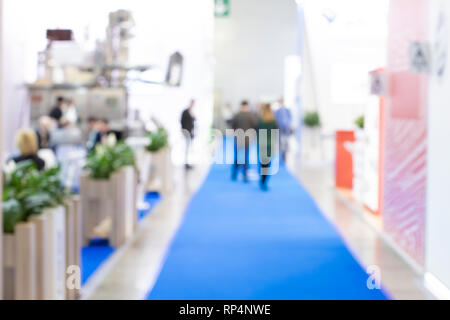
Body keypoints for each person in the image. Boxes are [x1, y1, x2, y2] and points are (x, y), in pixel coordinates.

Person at [230, 100, 258, 182]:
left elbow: (232, 125)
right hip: (247, 139)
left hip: (238, 138)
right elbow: (255, 126)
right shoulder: (251, 115)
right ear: (247, 106)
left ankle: (234, 173)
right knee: (246, 157)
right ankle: (245, 174)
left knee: (237, 156)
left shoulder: (237, 115)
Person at [258, 104, 279, 191]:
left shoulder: (260, 120)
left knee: (263, 162)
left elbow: (257, 130)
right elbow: (276, 132)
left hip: (261, 143)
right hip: (269, 144)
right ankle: (264, 180)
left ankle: (262, 178)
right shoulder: (273, 120)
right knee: (268, 163)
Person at [275, 98, 292, 163]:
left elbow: (290, 118)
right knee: (280, 142)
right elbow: (276, 119)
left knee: (286, 141)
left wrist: (289, 126)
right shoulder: (277, 111)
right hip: (280, 128)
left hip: (286, 128)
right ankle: (281, 155)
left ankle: (285, 154)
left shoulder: (287, 110)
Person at [181, 99, 196, 169]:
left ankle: (188, 162)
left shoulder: (192, 112)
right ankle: (186, 163)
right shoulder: (185, 112)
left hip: (191, 132)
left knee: (190, 148)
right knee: (187, 147)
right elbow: (182, 121)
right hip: (186, 132)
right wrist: (184, 130)